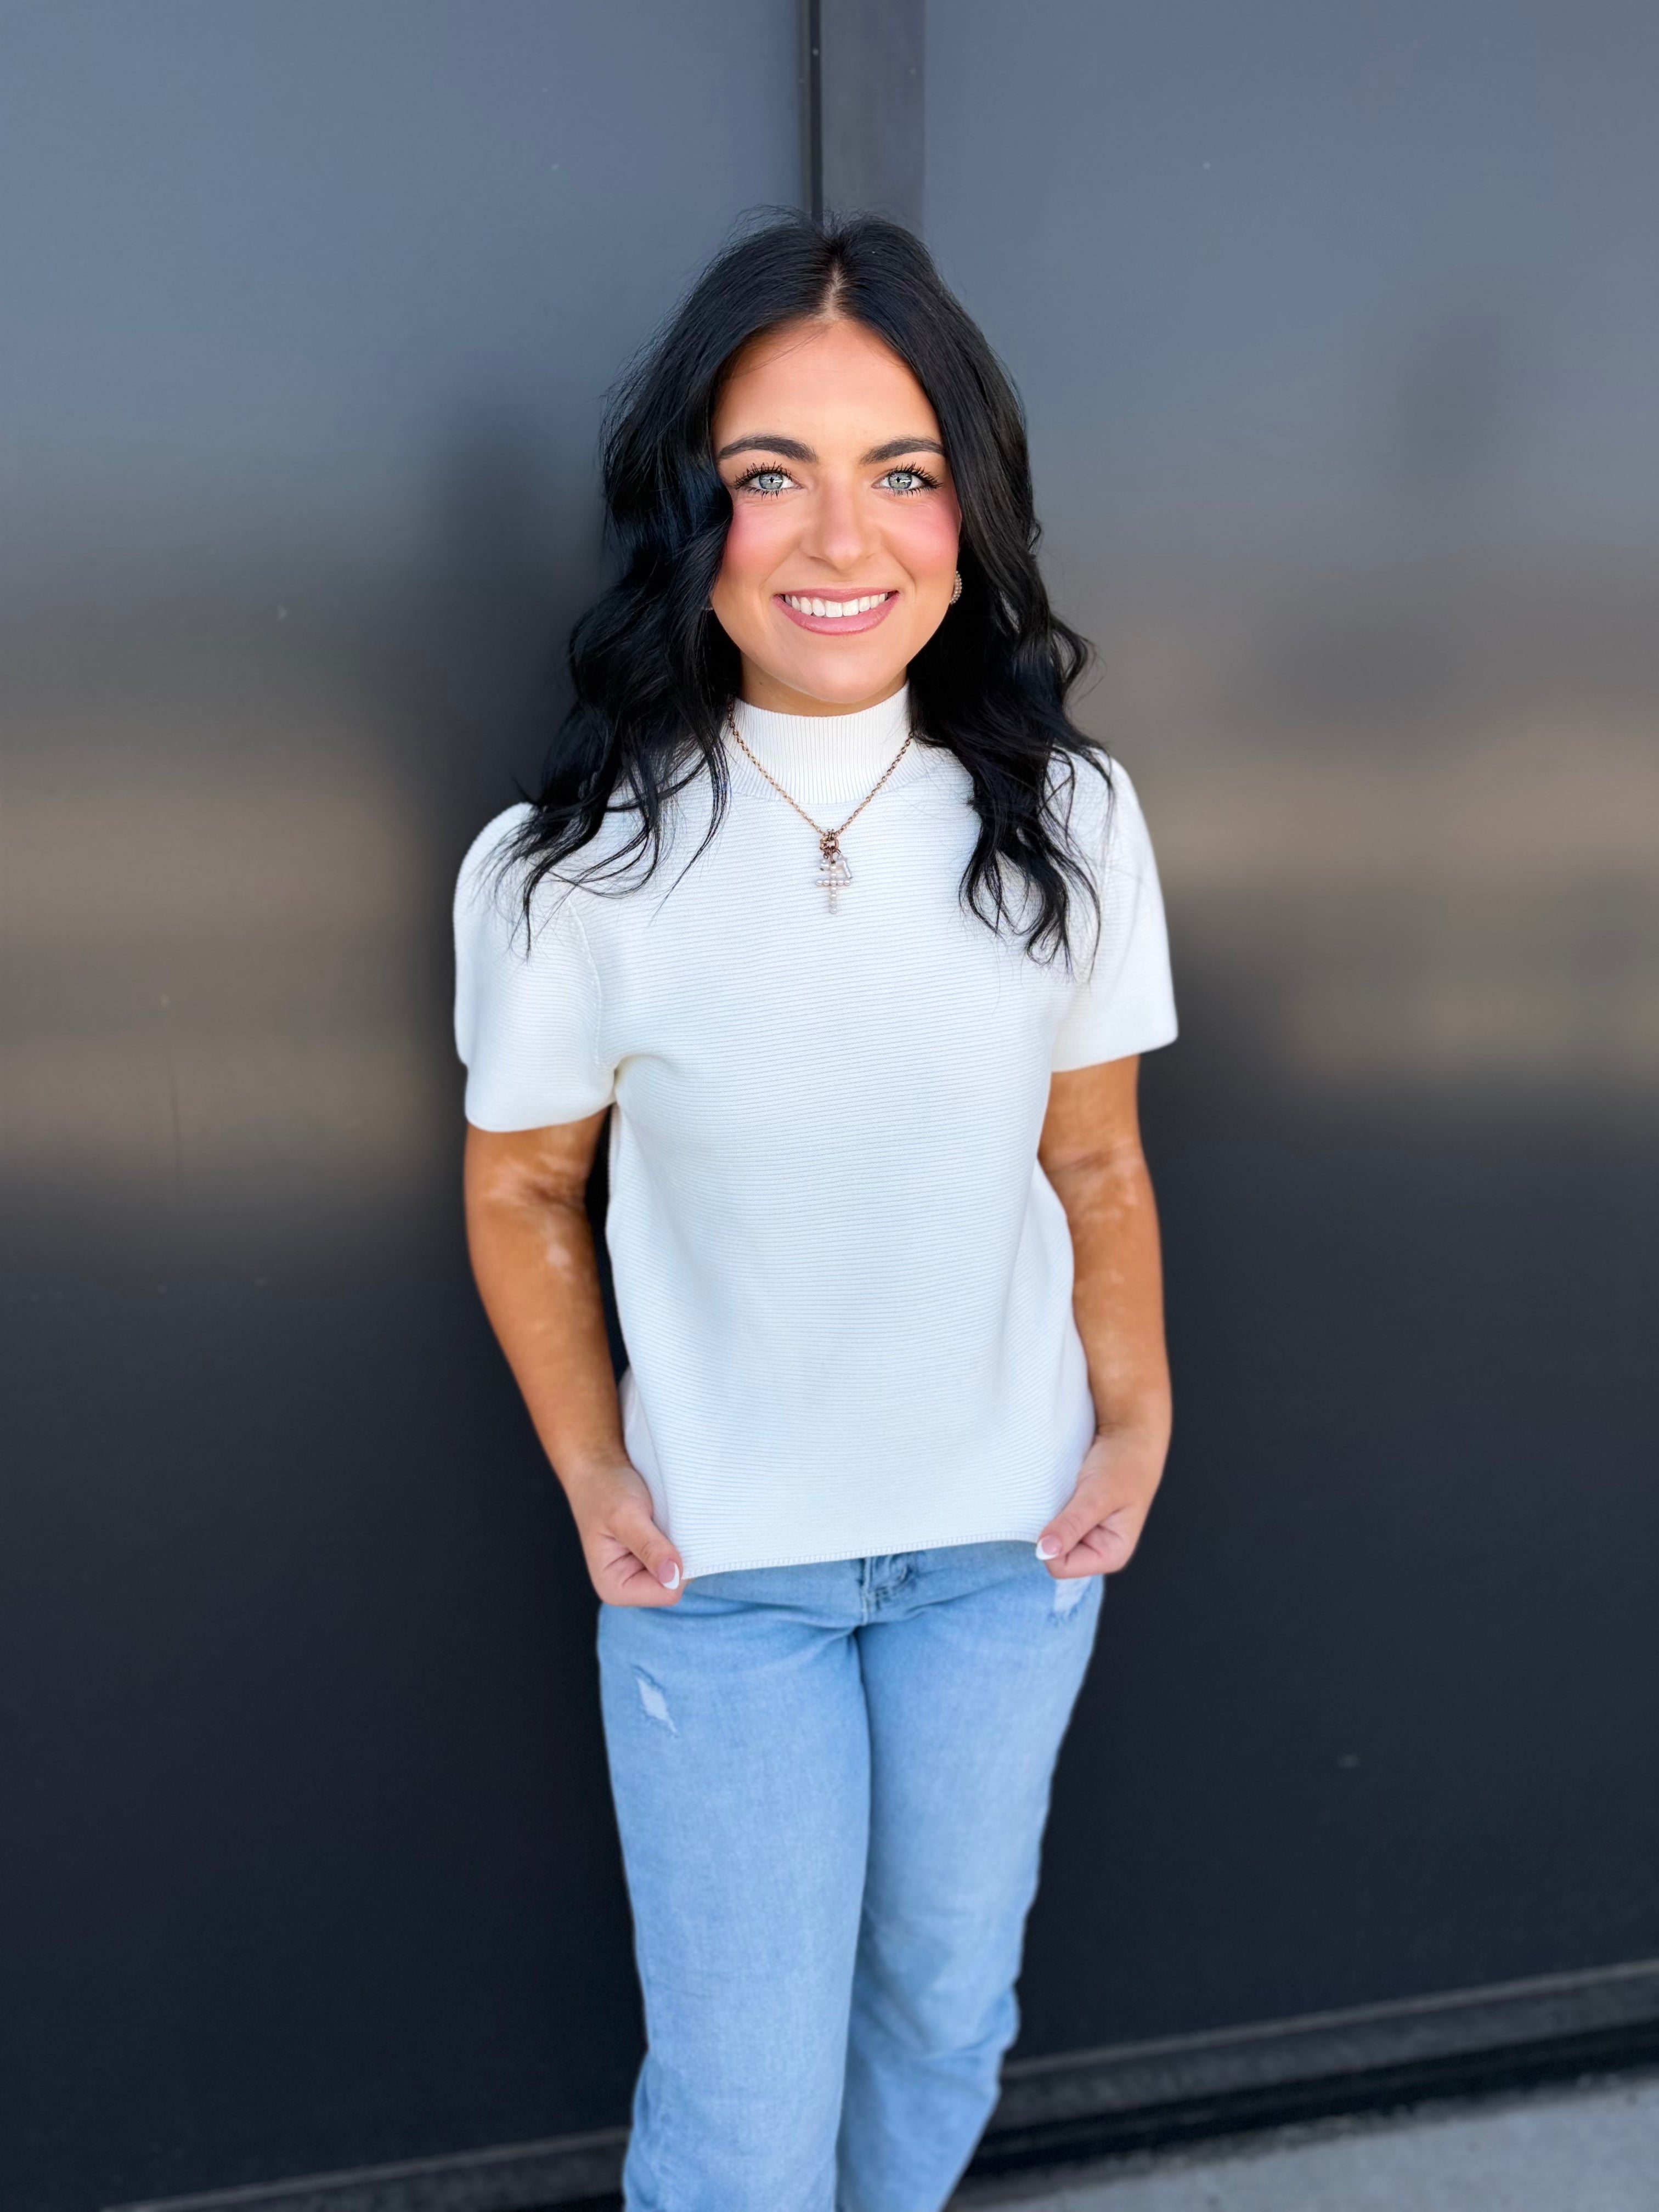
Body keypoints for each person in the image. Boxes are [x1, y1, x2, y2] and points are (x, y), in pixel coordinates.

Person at [453, 211, 1177, 2212]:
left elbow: (1096, 1162)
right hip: (724, 1584)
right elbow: (523, 1184)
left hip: (1006, 1561)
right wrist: (593, 1467)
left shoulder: (1073, 820)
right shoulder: (569, 869)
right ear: (690, 511)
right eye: (771, 475)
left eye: (903, 472)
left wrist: (1136, 1417)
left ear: (971, 509)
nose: (841, 540)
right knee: (747, 2117)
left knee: (941, 2018)